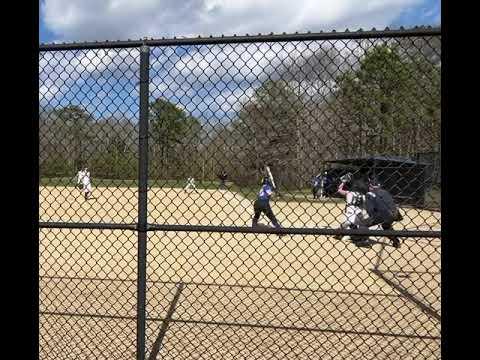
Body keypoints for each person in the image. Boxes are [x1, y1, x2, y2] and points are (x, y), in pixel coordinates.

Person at [357, 179, 403, 248]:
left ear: (370, 186)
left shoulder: (369, 194)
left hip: (382, 214)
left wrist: (371, 218)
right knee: (386, 226)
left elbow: (370, 210)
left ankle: (364, 241)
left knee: (363, 223)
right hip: (394, 214)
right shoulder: (385, 192)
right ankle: (396, 241)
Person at [333, 174, 371, 248]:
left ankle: (358, 239)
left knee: (347, 225)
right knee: (359, 224)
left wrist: (343, 182)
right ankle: (362, 239)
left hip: (351, 215)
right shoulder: (362, 195)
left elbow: (339, 190)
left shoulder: (350, 193)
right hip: (357, 215)